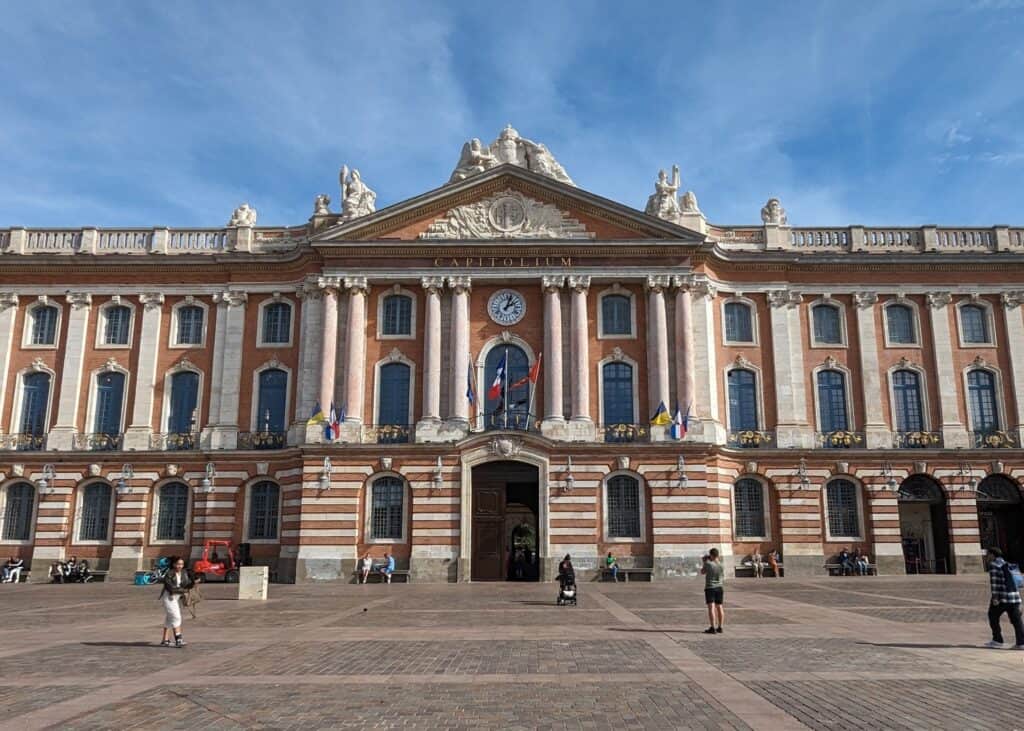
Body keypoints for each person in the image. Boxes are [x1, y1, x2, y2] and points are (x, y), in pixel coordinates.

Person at [984, 547, 1024, 649]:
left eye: (988, 554)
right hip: (1014, 597)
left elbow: (995, 583)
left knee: (992, 616)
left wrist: (995, 598)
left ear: (992, 555)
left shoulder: (994, 565)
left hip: (1002, 598)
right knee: (1017, 621)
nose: (986, 557)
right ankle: (1021, 643)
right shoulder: (1008, 564)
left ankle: (997, 640)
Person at [159, 556, 194, 648]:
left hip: (176, 598)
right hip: (169, 597)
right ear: (174, 564)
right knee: (176, 617)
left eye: (181, 564)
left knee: (170, 618)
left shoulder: (183, 572)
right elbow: (170, 588)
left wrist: (193, 580)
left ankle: (165, 640)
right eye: (178, 564)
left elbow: (186, 584)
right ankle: (178, 639)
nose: (180, 566)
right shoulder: (169, 573)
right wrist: (183, 590)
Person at [701, 548, 725, 634]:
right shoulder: (722, 565)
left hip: (710, 587)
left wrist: (704, 562)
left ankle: (713, 627)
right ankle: (721, 627)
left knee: (711, 607)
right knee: (720, 607)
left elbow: (702, 572)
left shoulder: (708, 564)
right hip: (719, 587)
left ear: (711, 555)